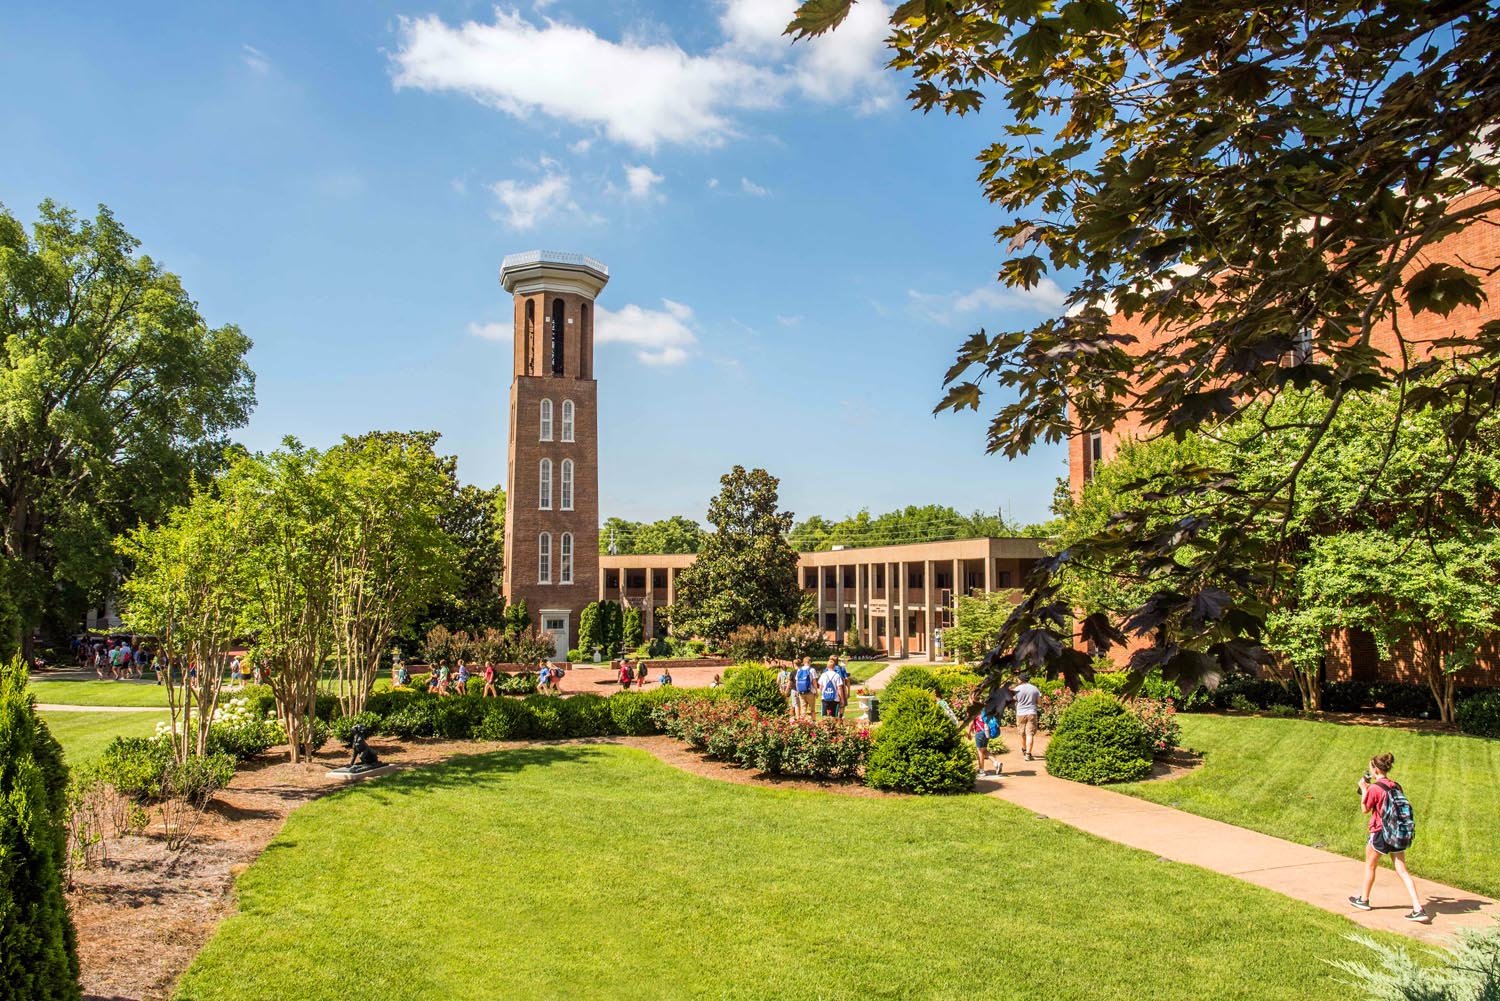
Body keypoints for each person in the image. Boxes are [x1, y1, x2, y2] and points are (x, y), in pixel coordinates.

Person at [1349, 753, 1427, 921]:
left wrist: (1364, 789)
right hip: (1397, 833)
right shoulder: (1396, 786)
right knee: (1402, 870)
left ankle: (1363, 899)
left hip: (1380, 832)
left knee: (1370, 866)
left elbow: (1365, 809)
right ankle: (1418, 907)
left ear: (1375, 769)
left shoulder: (1375, 788)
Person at [1013, 672, 1042, 761]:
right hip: (1031, 712)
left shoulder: (1016, 689)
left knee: (1021, 733)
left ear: (1021, 679)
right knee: (1030, 734)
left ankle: (1024, 749)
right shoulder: (1034, 689)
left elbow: (1013, 700)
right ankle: (1028, 754)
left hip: (1020, 713)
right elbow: (1039, 702)